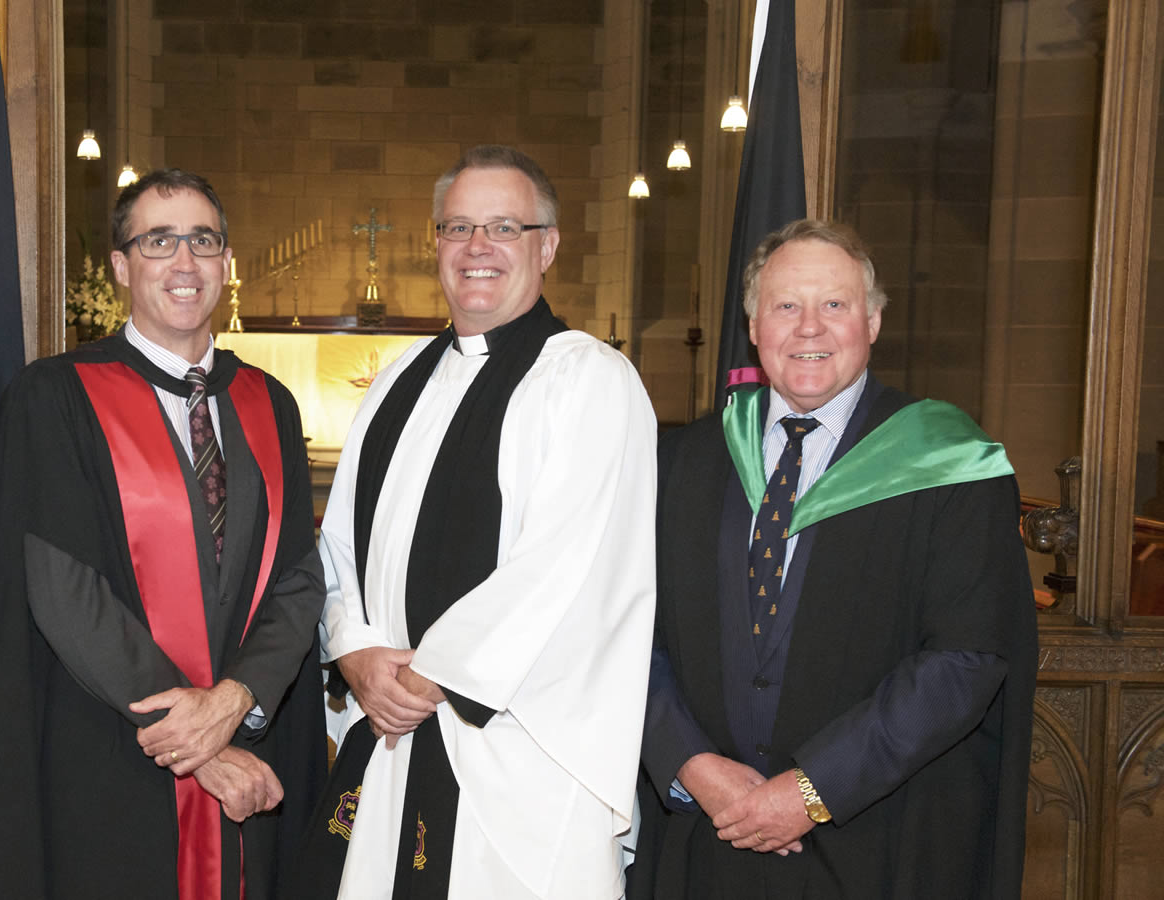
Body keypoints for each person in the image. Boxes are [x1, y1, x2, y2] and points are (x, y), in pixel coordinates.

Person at [631, 219, 1036, 899]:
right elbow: (628, 632)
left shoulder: (949, 465)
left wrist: (813, 790)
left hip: (875, 841)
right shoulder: (679, 463)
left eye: (835, 305)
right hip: (705, 838)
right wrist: (691, 763)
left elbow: (966, 658)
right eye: (786, 306)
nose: (809, 328)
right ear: (754, 325)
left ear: (873, 321)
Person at [298, 145, 658, 899]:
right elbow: (338, 547)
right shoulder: (401, 377)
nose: (477, 248)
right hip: (392, 732)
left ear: (547, 246)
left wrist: (425, 677)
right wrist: (357, 652)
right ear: (436, 246)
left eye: (503, 227)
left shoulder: (590, 380)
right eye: (457, 227)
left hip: (517, 758)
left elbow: (566, 568)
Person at [0, 168, 328, 900]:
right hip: (114, 754)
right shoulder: (57, 397)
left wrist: (235, 699)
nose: (184, 263)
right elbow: (65, 591)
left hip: (248, 746)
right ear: (120, 266)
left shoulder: (271, 403)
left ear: (226, 263)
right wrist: (199, 743)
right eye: (159, 241)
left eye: (202, 241)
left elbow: (298, 577)